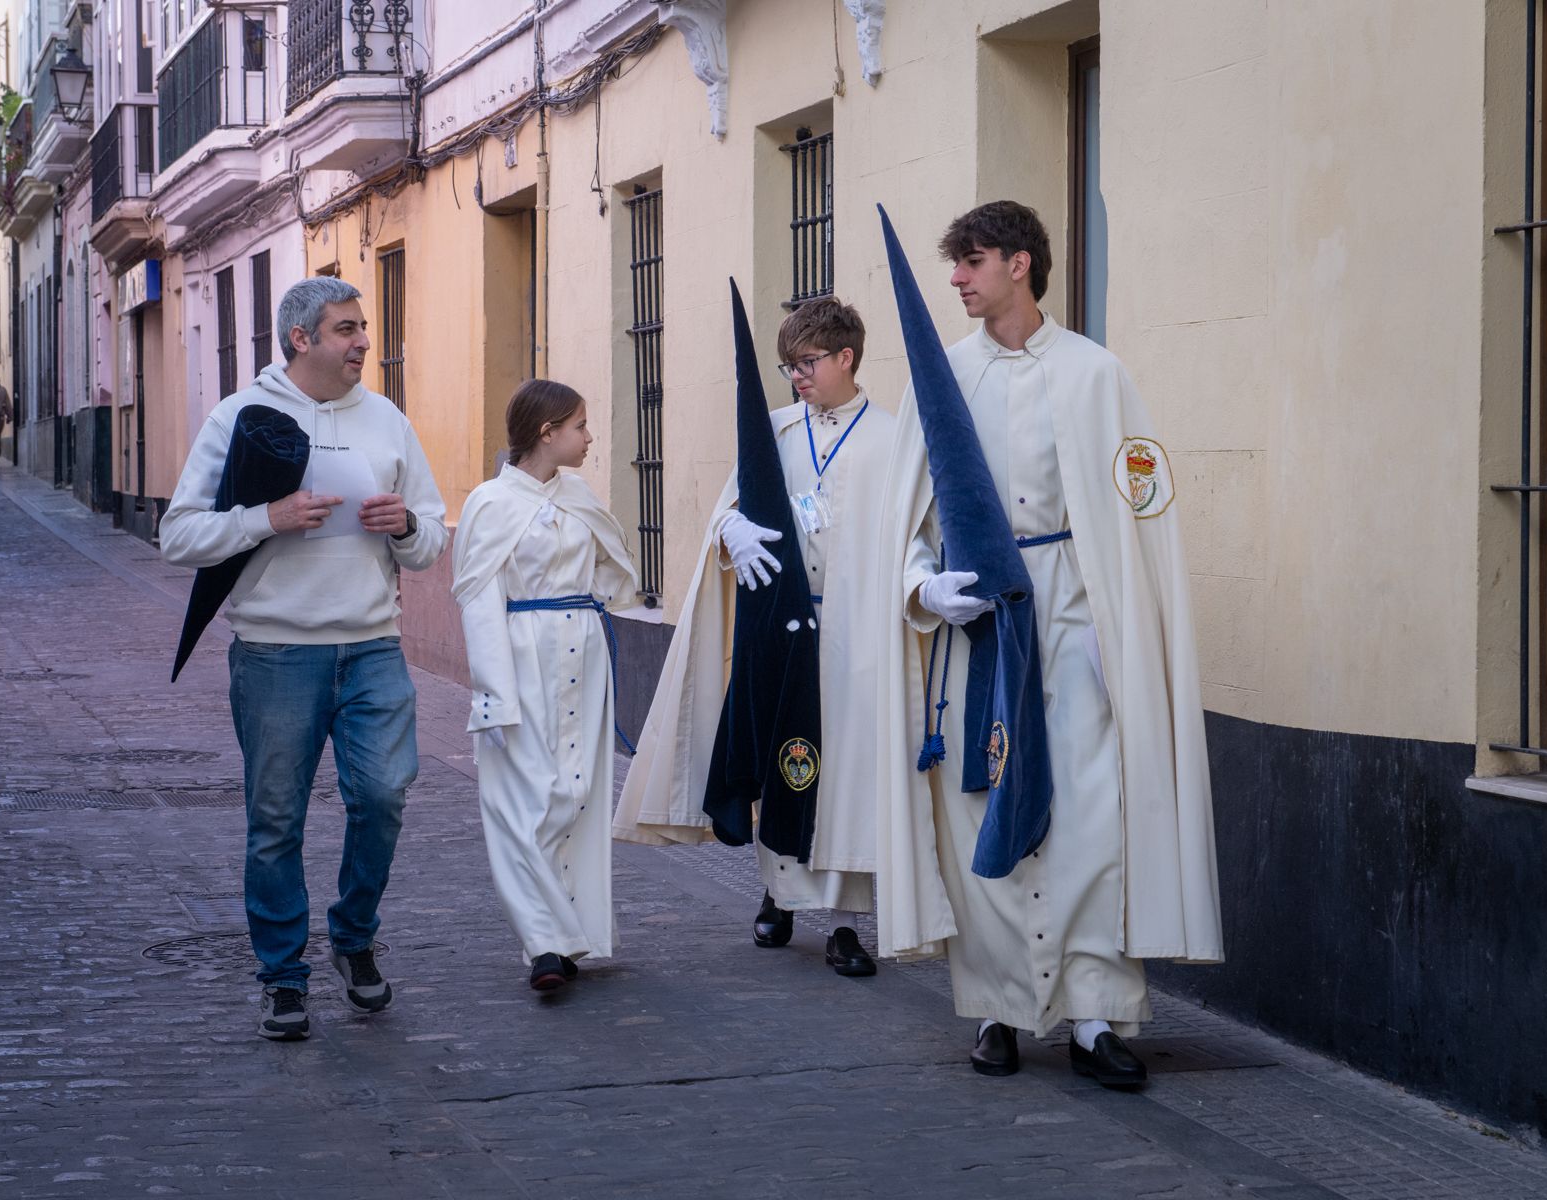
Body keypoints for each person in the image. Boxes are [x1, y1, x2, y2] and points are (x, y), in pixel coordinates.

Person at [872, 201, 1222, 1087]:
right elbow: (900, 518)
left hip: (1077, 620)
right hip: (979, 626)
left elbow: (1146, 515)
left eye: (973, 261)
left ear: (1021, 264)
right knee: (978, 813)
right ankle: (996, 1009)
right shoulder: (940, 381)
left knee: (1091, 811)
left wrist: (1130, 630)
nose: (956, 277)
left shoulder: (1099, 376)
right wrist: (924, 586)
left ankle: (1096, 1015)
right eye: (954, 265)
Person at [160, 277, 448, 1041]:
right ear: (300, 339)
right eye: (347, 329)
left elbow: (433, 538)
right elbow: (179, 534)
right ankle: (284, 975)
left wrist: (406, 523)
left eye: (363, 327)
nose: (363, 342)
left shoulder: (386, 420)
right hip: (277, 654)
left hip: (373, 646)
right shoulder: (241, 418)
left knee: (384, 794)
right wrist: (267, 517)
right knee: (275, 820)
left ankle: (353, 938)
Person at [614, 297, 894, 979]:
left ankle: (846, 926)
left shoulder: (892, 437)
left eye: (807, 362)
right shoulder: (772, 432)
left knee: (847, 773)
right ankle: (778, 893)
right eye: (787, 364)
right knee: (785, 760)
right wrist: (728, 532)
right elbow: (730, 510)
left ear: (846, 357)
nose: (795, 375)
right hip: (780, 627)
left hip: (856, 629)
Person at [453, 380, 639, 992]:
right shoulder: (489, 502)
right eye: (581, 426)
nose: (589, 437)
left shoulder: (579, 494)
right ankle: (543, 944)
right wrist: (493, 691)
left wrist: (600, 600)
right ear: (547, 432)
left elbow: (616, 564)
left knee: (576, 790)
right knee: (523, 798)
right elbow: (479, 597)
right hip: (523, 655)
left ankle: (570, 931)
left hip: (583, 654)